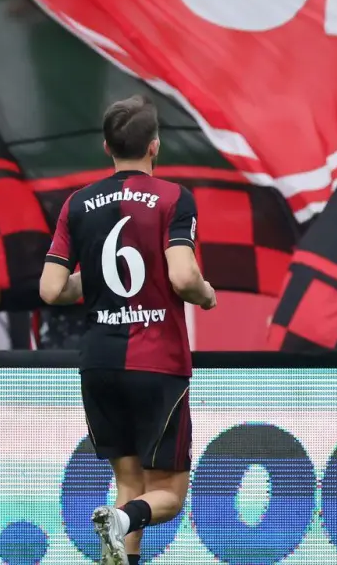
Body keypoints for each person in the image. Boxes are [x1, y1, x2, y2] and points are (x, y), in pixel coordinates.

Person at [37, 96, 217, 565]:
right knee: (168, 494)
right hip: (156, 363)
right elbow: (183, 277)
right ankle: (119, 520)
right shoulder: (174, 198)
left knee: (129, 486)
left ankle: (117, 533)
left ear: (106, 147)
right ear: (155, 146)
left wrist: (96, 278)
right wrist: (205, 294)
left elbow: (52, 289)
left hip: (99, 362)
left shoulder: (78, 203)